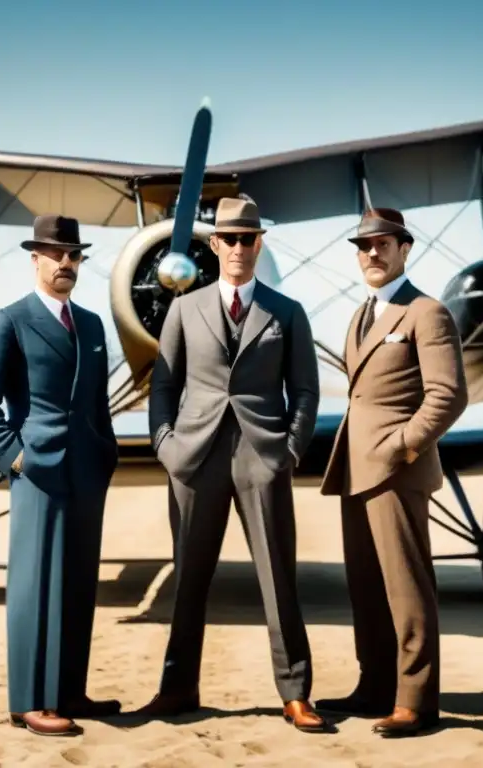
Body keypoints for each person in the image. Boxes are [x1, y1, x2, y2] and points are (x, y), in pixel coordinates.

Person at [139, 197, 327, 732]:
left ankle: (295, 694)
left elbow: (306, 391)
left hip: (262, 458)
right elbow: (164, 386)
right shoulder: (183, 308)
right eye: (230, 239)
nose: (240, 247)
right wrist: (165, 445)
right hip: (193, 460)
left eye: (249, 238)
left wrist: (288, 450)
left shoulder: (287, 312)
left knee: (278, 580)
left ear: (258, 244)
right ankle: (177, 688)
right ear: (214, 245)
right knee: (188, 580)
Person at [0, 214, 120, 737]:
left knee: (79, 584)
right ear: (35, 258)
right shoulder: (7, 321)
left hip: (86, 473)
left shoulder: (94, 325)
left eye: (74, 255)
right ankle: (31, 701)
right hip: (38, 473)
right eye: (56, 254)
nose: (66, 263)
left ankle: (69, 691)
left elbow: (97, 401)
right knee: (36, 586)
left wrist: (105, 450)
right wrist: (16, 459)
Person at [315, 207, 468, 736]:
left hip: (396, 469)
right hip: (356, 468)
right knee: (366, 584)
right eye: (362, 246)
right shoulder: (363, 313)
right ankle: (375, 684)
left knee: (407, 587)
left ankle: (417, 700)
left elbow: (448, 395)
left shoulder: (427, 312)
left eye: (382, 244)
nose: (371, 253)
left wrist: (405, 446)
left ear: (405, 248)